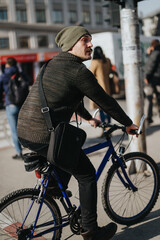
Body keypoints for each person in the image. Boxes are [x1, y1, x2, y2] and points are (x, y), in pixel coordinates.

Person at [17, 26, 138, 240]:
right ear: (72, 44)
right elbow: (105, 101)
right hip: (43, 133)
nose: (91, 44)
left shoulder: (51, 64)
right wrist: (128, 123)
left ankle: (54, 185)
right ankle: (91, 230)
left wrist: (88, 117)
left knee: (70, 147)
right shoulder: (78, 71)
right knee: (86, 174)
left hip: (25, 129)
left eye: (90, 40)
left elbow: (67, 97)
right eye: (85, 40)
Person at [0, 57, 25, 159]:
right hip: (23, 105)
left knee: (14, 130)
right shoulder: (20, 73)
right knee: (23, 128)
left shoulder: (4, 75)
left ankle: (19, 153)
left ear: (7, 65)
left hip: (11, 105)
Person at [89, 46, 112, 125]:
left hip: (99, 89)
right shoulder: (107, 61)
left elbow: (89, 74)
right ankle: (109, 125)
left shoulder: (95, 62)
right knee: (108, 109)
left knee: (101, 109)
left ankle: (104, 127)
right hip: (108, 88)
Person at [144, 39, 160, 124]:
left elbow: (151, 64)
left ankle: (149, 117)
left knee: (149, 98)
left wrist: (147, 76)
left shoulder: (156, 52)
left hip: (154, 79)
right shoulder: (156, 52)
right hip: (157, 78)